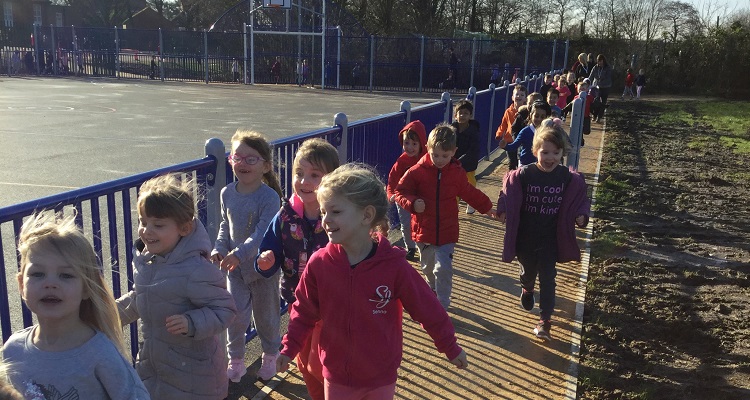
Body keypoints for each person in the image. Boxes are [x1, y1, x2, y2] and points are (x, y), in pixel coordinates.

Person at [277, 163, 469, 399]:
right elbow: (303, 312)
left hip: (381, 376)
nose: (326, 220)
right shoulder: (320, 264)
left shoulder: (393, 266)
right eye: (323, 212)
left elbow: (427, 308)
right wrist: (289, 348)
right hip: (338, 376)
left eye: (335, 212)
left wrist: (450, 346)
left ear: (366, 215)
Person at [3, 211, 149, 399]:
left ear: (86, 288)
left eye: (66, 275)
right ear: (22, 285)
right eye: (38, 274)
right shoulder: (13, 350)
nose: (50, 283)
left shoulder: (100, 353)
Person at [117, 174, 236, 399]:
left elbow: (225, 309)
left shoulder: (196, 269)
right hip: (156, 370)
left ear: (184, 228)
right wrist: (109, 313)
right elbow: (141, 297)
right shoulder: (148, 262)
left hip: (195, 378)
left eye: (158, 225)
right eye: (143, 222)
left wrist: (192, 322)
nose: (146, 231)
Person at [255, 138, 340, 400]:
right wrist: (266, 261)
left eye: (315, 175)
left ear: (332, 179)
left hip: (332, 304)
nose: (304, 181)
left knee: (327, 360)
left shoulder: (338, 214)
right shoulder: (285, 216)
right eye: (299, 173)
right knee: (304, 360)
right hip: (298, 300)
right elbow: (270, 249)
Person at [496, 119, 590, 341]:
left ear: (563, 153)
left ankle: (545, 321)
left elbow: (581, 199)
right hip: (525, 237)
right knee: (528, 272)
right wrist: (503, 208)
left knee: (548, 277)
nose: (550, 158)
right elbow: (506, 193)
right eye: (545, 152)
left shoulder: (567, 178)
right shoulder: (524, 174)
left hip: (551, 238)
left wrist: (581, 215)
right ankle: (527, 288)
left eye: (556, 153)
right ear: (535, 151)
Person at [395, 124, 496, 310]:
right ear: (428, 149)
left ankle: (442, 305)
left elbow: (469, 193)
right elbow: (400, 191)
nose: (439, 160)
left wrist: (487, 207)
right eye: (435, 155)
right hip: (423, 231)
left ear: (454, 152)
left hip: (447, 232)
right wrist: (412, 203)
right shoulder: (416, 171)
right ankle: (432, 287)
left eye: (445, 156)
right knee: (427, 267)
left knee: (443, 269)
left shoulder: (456, 173)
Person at [211, 130, 284, 383]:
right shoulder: (227, 193)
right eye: (237, 158)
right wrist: (219, 248)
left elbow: (261, 233)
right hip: (236, 270)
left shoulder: (270, 197)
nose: (243, 164)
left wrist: (238, 254)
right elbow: (225, 225)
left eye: (251, 159)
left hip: (263, 268)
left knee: (266, 317)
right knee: (236, 316)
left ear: (265, 166)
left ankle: (271, 355)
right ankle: (236, 360)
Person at [386, 120, 427, 260]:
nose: (409, 147)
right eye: (406, 143)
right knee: (406, 224)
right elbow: (392, 180)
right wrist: (391, 194)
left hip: (421, 198)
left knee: (422, 223)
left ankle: (423, 245)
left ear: (422, 143)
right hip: (403, 198)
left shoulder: (427, 158)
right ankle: (410, 247)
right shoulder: (401, 161)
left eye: (414, 144)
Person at [451, 100, 481, 214]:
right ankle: (454, 205)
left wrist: (462, 160)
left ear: (470, 116)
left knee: (470, 184)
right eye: (460, 113)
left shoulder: (473, 131)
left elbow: (473, 149)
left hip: (468, 164)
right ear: (456, 115)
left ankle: (471, 202)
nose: (463, 116)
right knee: (454, 184)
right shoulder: (451, 130)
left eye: (466, 113)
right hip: (454, 163)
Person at [501, 100, 551, 167]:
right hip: (525, 165)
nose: (539, 119)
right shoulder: (525, 131)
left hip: (543, 165)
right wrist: (505, 146)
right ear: (531, 115)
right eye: (536, 116)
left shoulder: (548, 132)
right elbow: (514, 146)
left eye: (542, 117)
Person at [496, 85, 527, 171]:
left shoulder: (527, 111)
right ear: (512, 97)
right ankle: (511, 177)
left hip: (522, 140)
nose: (519, 96)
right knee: (511, 163)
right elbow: (504, 124)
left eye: (522, 95)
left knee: (521, 161)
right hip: (509, 139)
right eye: (517, 94)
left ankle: (519, 176)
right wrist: (499, 133)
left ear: (525, 98)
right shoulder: (508, 111)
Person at [588, 54, 613, 122]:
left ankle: (599, 117)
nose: (599, 63)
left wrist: (601, 79)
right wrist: (587, 82)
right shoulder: (595, 67)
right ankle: (594, 115)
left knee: (603, 102)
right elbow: (591, 76)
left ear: (603, 60)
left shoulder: (607, 68)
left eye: (600, 61)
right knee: (596, 101)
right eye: (598, 61)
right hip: (597, 87)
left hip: (606, 86)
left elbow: (608, 77)